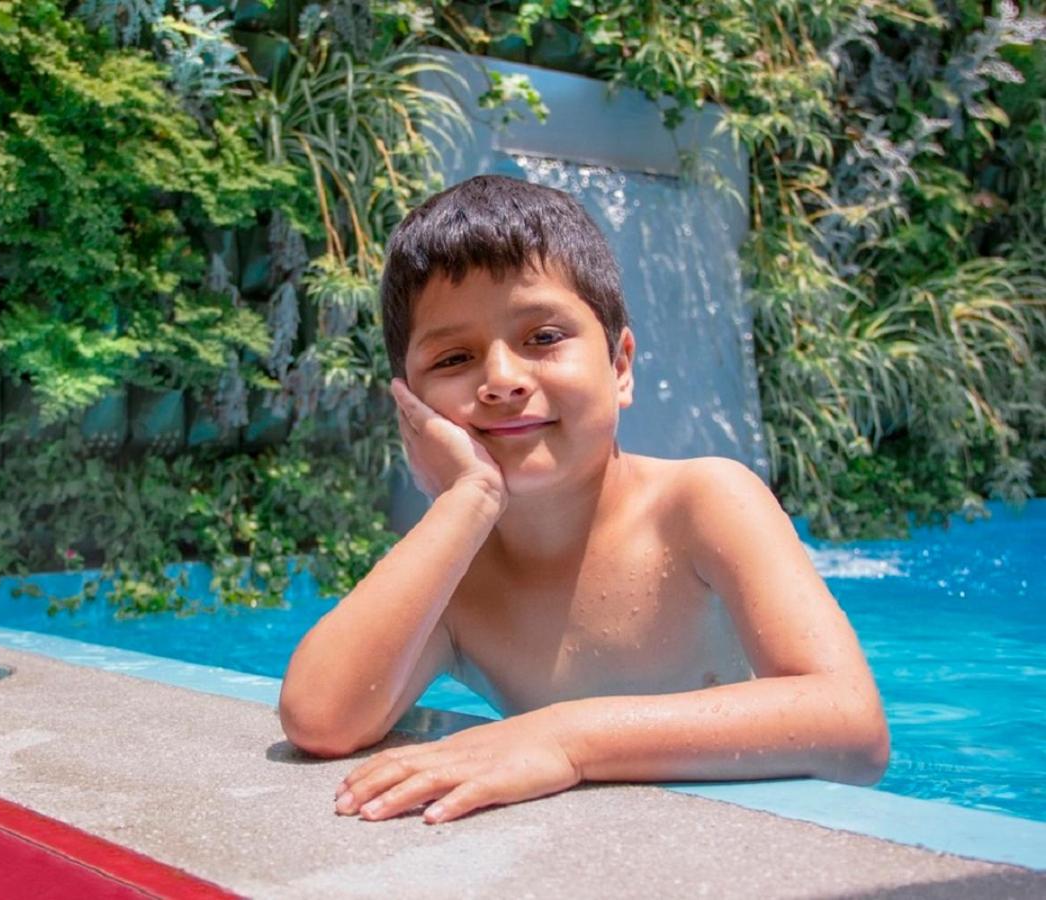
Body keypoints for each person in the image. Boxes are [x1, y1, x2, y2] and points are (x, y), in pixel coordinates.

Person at [278, 174, 889, 825]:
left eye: (543, 338)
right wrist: (468, 499)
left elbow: (850, 725)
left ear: (620, 366)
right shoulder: (453, 577)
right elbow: (321, 719)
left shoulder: (703, 502)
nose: (502, 380)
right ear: (410, 405)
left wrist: (563, 739)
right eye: (453, 358)